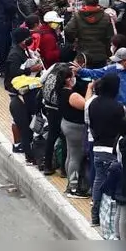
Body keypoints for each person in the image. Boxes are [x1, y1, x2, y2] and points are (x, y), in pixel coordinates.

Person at [88, 72, 126, 226]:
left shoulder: (93, 103)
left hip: (97, 148)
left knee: (98, 180)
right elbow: (123, 129)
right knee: (115, 185)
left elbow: (90, 125)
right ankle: (111, 219)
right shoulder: (118, 107)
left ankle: (95, 216)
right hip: (112, 150)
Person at [77, 48, 126, 118]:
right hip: (118, 112)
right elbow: (96, 72)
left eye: (119, 62)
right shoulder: (113, 68)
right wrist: (80, 71)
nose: (117, 64)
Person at [6, 28, 42, 164]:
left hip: (26, 94)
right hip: (19, 96)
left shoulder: (24, 51)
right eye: (27, 38)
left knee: (28, 125)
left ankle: (29, 151)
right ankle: (29, 155)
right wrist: (30, 70)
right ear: (22, 40)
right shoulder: (14, 55)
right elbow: (14, 72)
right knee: (24, 127)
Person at [57, 66, 90, 198]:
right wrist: (90, 88)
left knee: (71, 156)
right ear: (68, 79)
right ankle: (74, 188)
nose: (75, 79)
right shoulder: (72, 95)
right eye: (73, 76)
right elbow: (87, 105)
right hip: (75, 128)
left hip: (67, 124)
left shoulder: (61, 91)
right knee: (75, 157)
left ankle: (71, 184)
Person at [65, 0, 115, 68]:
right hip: (100, 55)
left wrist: (74, 40)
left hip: (83, 56)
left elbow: (68, 30)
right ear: (97, 2)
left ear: (85, 2)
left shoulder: (78, 16)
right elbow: (110, 36)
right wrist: (108, 53)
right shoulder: (106, 17)